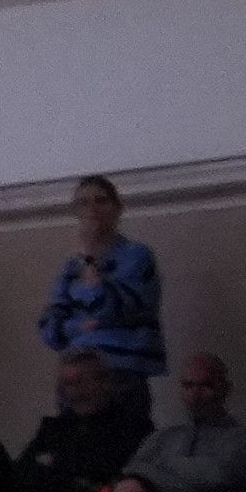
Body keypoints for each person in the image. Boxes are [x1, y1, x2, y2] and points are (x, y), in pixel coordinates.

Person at [37, 178, 166, 450]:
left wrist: (89, 264)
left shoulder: (137, 257)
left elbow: (110, 305)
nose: (92, 209)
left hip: (122, 375)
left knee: (122, 454)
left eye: (100, 200)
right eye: (83, 202)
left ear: (117, 208)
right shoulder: (69, 267)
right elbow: (51, 329)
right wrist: (81, 326)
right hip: (75, 377)